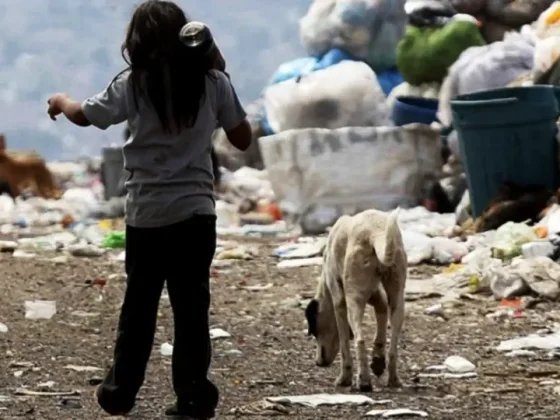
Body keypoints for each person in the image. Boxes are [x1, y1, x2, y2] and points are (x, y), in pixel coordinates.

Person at [46, 1, 252, 418]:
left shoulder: (134, 83)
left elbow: (87, 116)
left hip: (147, 215)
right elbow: (243, 138)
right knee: (191, 310)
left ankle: (120, 392)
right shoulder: (212, 82)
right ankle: (193, 397)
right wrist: (222, 70)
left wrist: (61, 101)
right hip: (196, 215)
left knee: (138, 308)